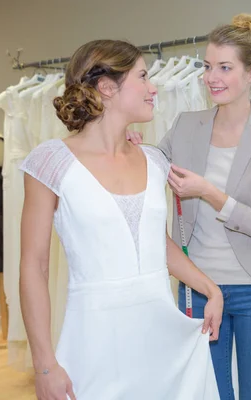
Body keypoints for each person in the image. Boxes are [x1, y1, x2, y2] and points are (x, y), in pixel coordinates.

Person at [19, 40, 222, 400]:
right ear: (107, 87)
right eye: (143, 77)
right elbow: (34, 267)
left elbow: (155, 243)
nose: (153, 87)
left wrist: (209, 286)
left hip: (161, 340)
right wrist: (44, 364)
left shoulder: (154, 160)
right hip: (95, 343)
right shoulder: (49, 162)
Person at [129, 13, 251, 400]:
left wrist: (211, 193)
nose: (212, 77)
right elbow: (148, 175)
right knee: (208, 394)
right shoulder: (187, 124)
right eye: (208, 66)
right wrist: (130, 144)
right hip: (199, 289)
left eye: (225, 67)